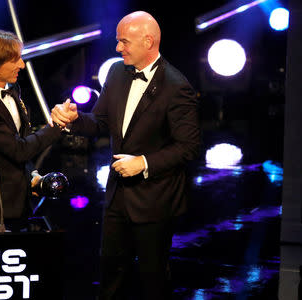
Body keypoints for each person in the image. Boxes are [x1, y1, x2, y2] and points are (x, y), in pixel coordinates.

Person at [51, 11, 200, 299]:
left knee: (152, 280)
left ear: (149, 41)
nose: (118, 48)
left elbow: (188, 147)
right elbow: (101, 122)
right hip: (118, 197)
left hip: (156, 200)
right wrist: (74, 119)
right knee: (110, 275)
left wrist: (143, 163)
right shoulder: (118, 72)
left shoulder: (176, 86)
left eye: (124, 41)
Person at [0, 30, 62, 232]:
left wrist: (32, 174)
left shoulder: (13, 91)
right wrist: (56, 126)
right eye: (15, 60)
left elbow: (22, 140)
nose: (22, 65)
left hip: (19, 205)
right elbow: (19, 149)